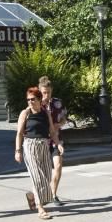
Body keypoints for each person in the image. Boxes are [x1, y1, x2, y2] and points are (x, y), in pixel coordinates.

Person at [15, 86, 61, 220]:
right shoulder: (25, 113)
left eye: (33, 99)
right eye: (28, 100)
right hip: (30, 146)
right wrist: (18, 151)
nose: (30, 102)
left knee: (46, 177)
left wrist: (58, 144)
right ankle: (40, 208)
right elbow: (19, 133)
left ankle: (31, 196)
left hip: (44, 145)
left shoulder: (45, 113)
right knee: (37, 177)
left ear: (40, 100)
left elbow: (52, 131)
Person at [39, 75, 68, 205]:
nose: (46, 95)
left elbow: (64, 118)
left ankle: (53, 194)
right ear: (40, 91)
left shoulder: (58, 102)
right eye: (44, 92)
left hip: (56, 139)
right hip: (42, 141)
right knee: (44, 171)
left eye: (49, 92)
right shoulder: (36, 104)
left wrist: (58, 125)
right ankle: (41, 195)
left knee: (58, 166)